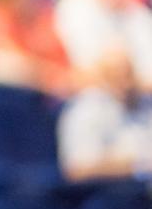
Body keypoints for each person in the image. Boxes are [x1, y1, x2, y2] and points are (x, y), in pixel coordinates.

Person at [57, 51, 152, 182]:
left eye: (128, 74)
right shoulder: (86, 110)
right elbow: (78, 169)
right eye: (114, 75)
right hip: (110, 193)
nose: (124, 83)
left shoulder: (146, 103)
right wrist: (137, 165)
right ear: (101, 77)